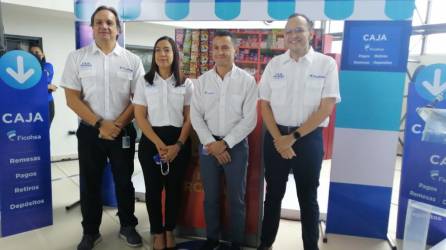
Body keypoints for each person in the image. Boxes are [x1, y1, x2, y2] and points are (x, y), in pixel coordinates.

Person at [60, 6, 144, 250]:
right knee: (90, 183)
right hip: (90, 131)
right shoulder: (77, 57)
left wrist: (116, 124)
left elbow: (138, 99)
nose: (104, 26)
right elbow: (72, 98)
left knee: (124, 181)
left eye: (109, 22)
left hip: (122, 131)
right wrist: (100, 123)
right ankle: (90, 232)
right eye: (99, 22)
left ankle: (127, 225)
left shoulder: (132, 60)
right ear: (92, 27)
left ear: (118, 28)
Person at [257, 13, 341, 250]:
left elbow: (327, 107)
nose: (293, 36)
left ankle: (310, 247)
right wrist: (279, 140)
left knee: (308, 198)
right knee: (273, 195)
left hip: (307, 140)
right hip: (275, 137)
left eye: (299, 30)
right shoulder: (274, 65)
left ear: (310, 33)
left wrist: (291, 139)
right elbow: (265, 105)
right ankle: (265, 244)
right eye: (289, 31)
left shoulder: (326, 64)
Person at [190, 30, 258, 250]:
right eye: (217, 47)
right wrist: (212, 144)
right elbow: (195, 116)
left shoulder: (247, 81)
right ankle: (212, 239)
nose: (220, 52)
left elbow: (250, 120)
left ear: (234, 50)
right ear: (212, 51)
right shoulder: (202, 82)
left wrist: (225, 143)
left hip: (236, 147)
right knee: (211, 197)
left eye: (225, 47)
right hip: (208, 146)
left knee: (236, 199)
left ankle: (236, 242)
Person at [133, 36, 193, 250]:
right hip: (152, 142)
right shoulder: (144, 81)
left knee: (174, 189)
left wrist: (177, 146)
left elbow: (189, 118)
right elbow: (140, 116)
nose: (162, 54)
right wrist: (158, 143)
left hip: (178, 142)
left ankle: (169, 231)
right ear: (154, 55)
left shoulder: (186, 83)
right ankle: (157, 232)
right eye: (158, 50)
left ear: (174, 54)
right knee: (153, 190)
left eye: (167, 50)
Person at [30, 45, 57, 126]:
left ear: (43, 54)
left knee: (46, 130)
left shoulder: (47, 66)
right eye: (32, 53)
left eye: (37, 52)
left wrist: (43, 86)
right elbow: (32, 86)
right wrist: (48, 86)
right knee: (34, 131)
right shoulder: (27, 69)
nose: (35, 54)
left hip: (47, 103)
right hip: (32, 104)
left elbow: (41, 82)